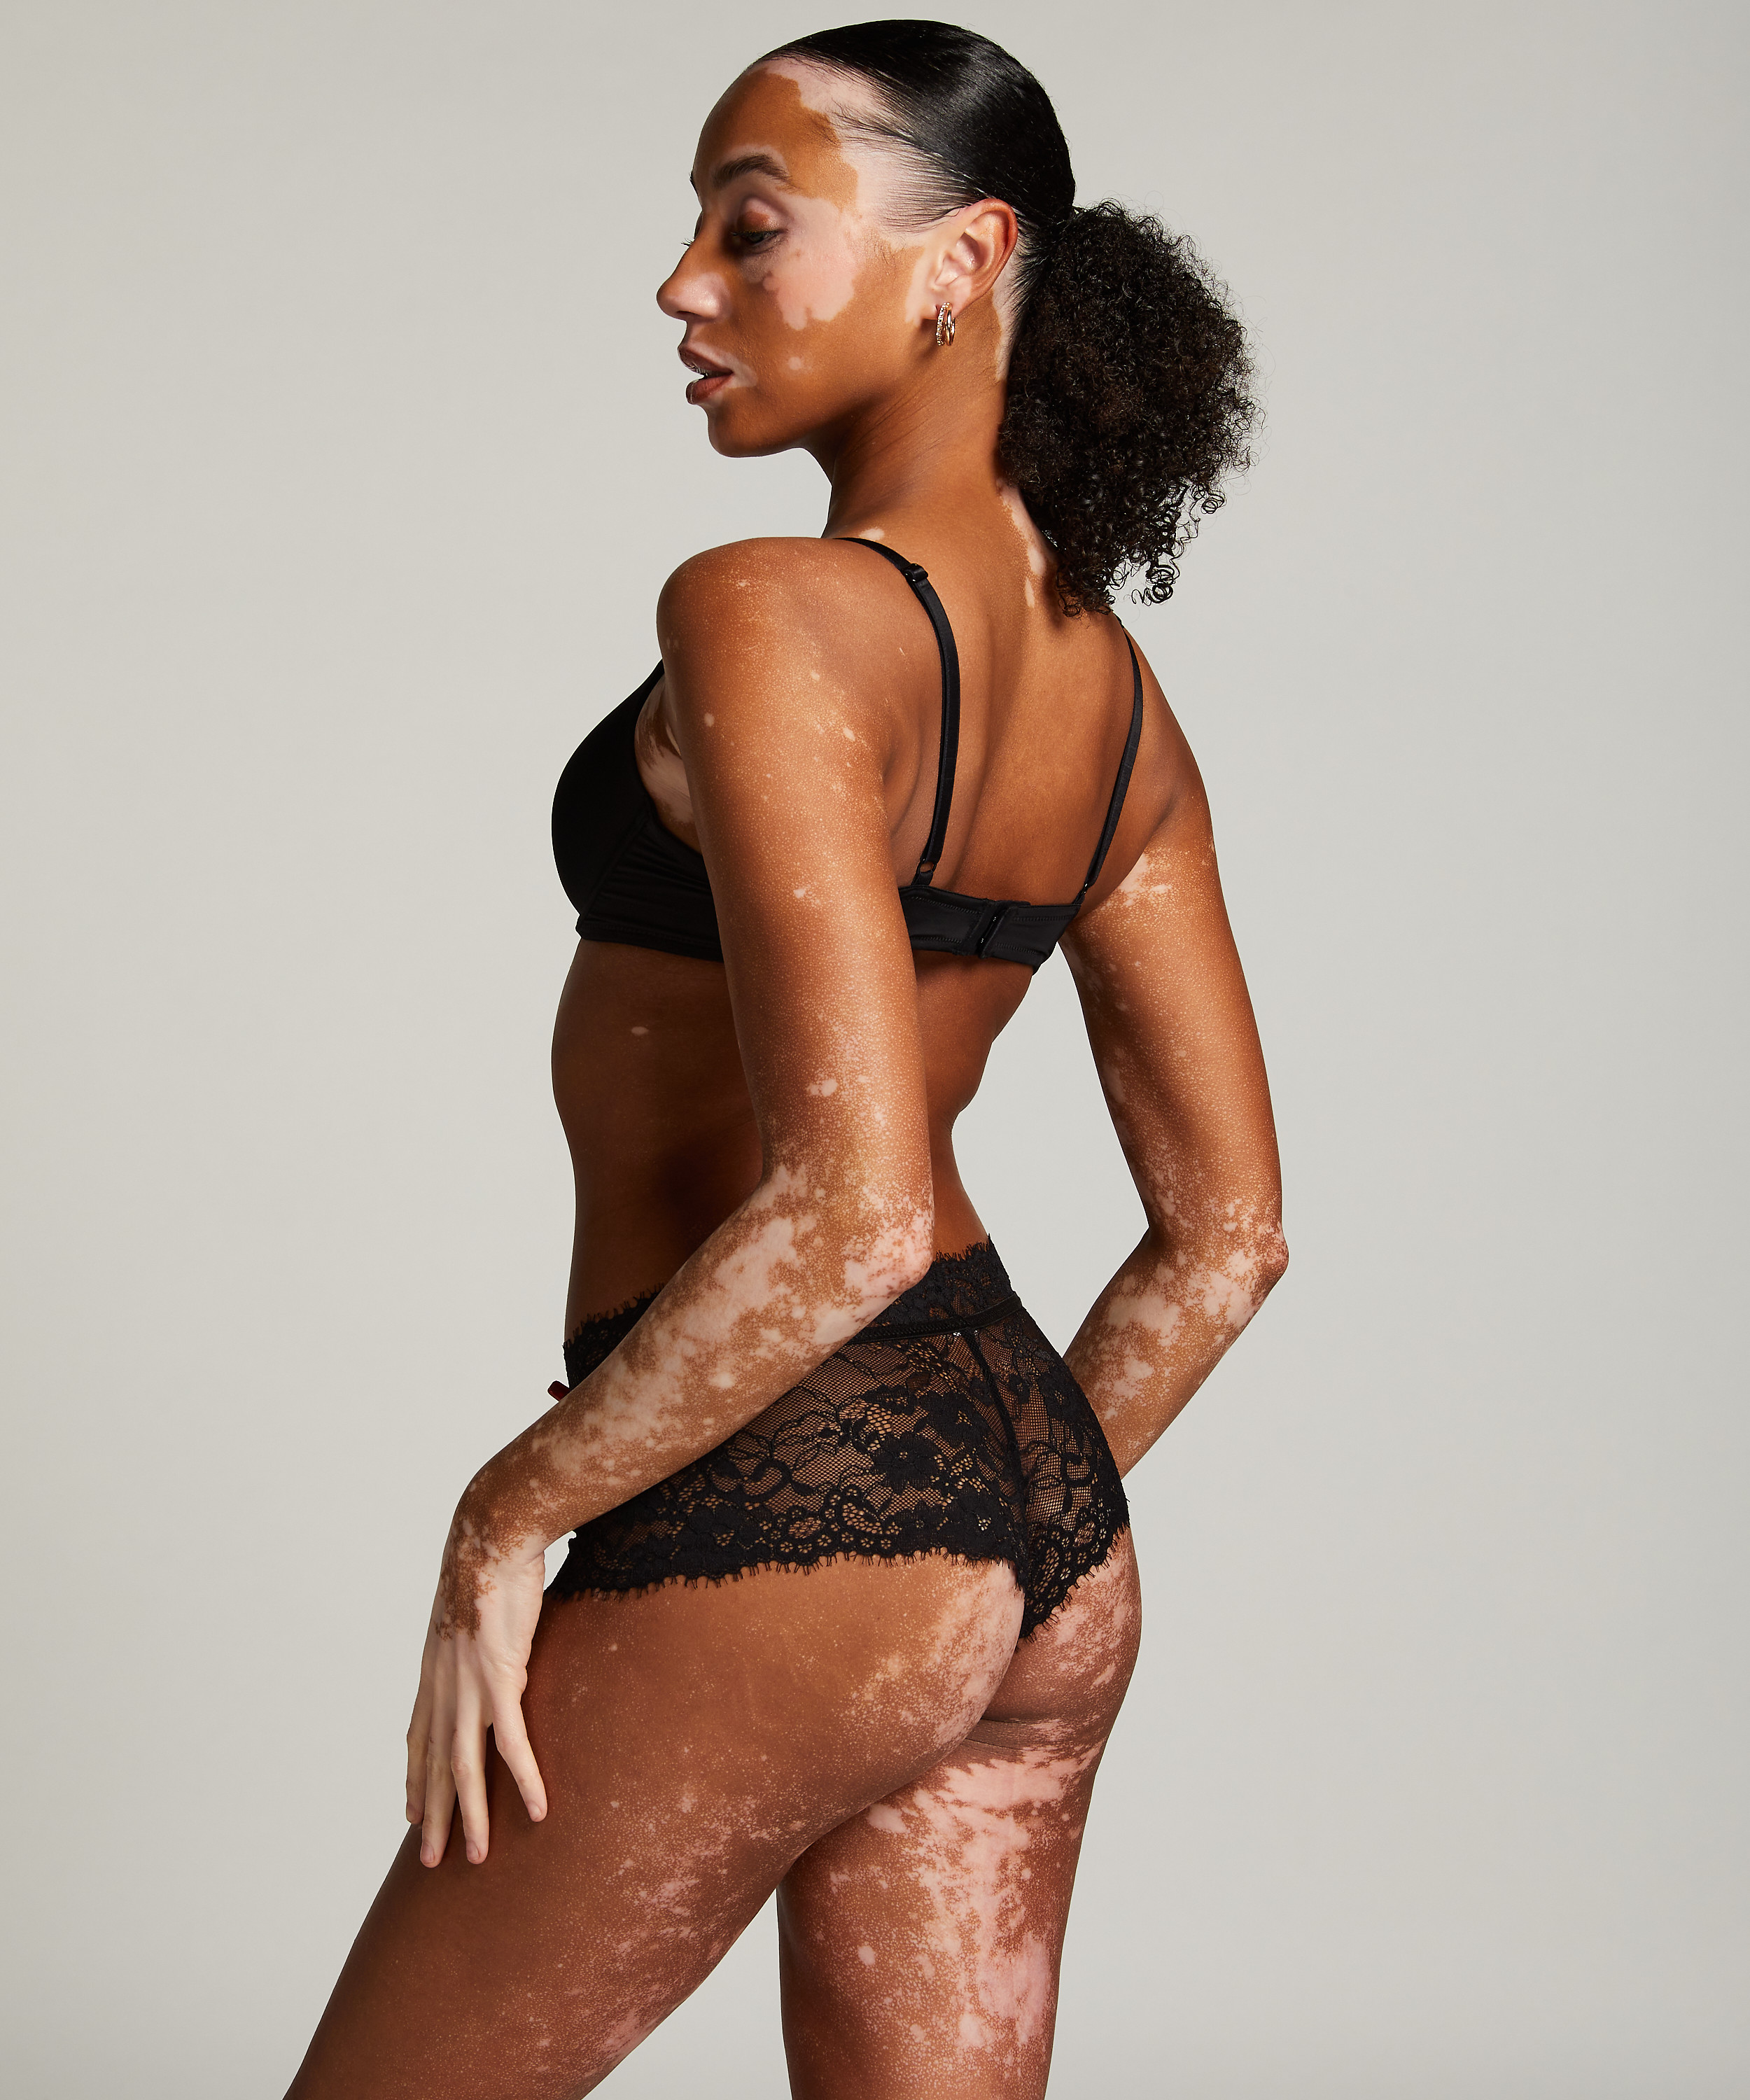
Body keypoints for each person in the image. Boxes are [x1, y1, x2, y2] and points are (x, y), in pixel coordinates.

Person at [288, 20, 1284, 2098]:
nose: (682, 285)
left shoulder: (769, 608)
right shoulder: (1126, 709)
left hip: (788, 1501)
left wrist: (508, 1514)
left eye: (751, 230)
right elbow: (1228, 1244)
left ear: (963, 260)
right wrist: (980, 1526)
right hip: (1047, 1532)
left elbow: (850, 1209)